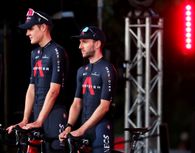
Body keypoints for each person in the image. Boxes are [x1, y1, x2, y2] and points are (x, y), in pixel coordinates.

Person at [6, 8, 68, 153]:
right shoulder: (34, 53)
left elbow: (54, 91)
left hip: (54, 114)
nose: (27, 33)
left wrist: (40, 120)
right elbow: (31, 88)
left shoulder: (57, 51)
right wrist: (25, 119)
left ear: (43, 27)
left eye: (31, 29)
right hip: (37, 113)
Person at [59, 26, 117, 153]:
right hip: (84, 128)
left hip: (101, 129)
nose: (80, 46)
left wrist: (81, 130)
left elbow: (104, 107)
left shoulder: (107, 69)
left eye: (84, 42)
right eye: (80, 42)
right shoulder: (81, 71)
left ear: (97, 44)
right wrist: (69, 126)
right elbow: (76, 103)